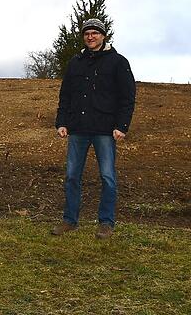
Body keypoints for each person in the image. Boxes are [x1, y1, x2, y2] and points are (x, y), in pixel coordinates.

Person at [52, 18, 136, 239]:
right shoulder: (75, 62)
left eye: (95, 33)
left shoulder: (118, 62)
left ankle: (106, 223)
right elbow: (65, 96)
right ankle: (70, 221)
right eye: (87, 33)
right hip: (78, 129)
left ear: (103, 35)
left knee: (107, 177)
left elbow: (128, 97)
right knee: (71, 176)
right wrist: (61, 122)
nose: (90, 36)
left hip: (105, 129)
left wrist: (122, 126)